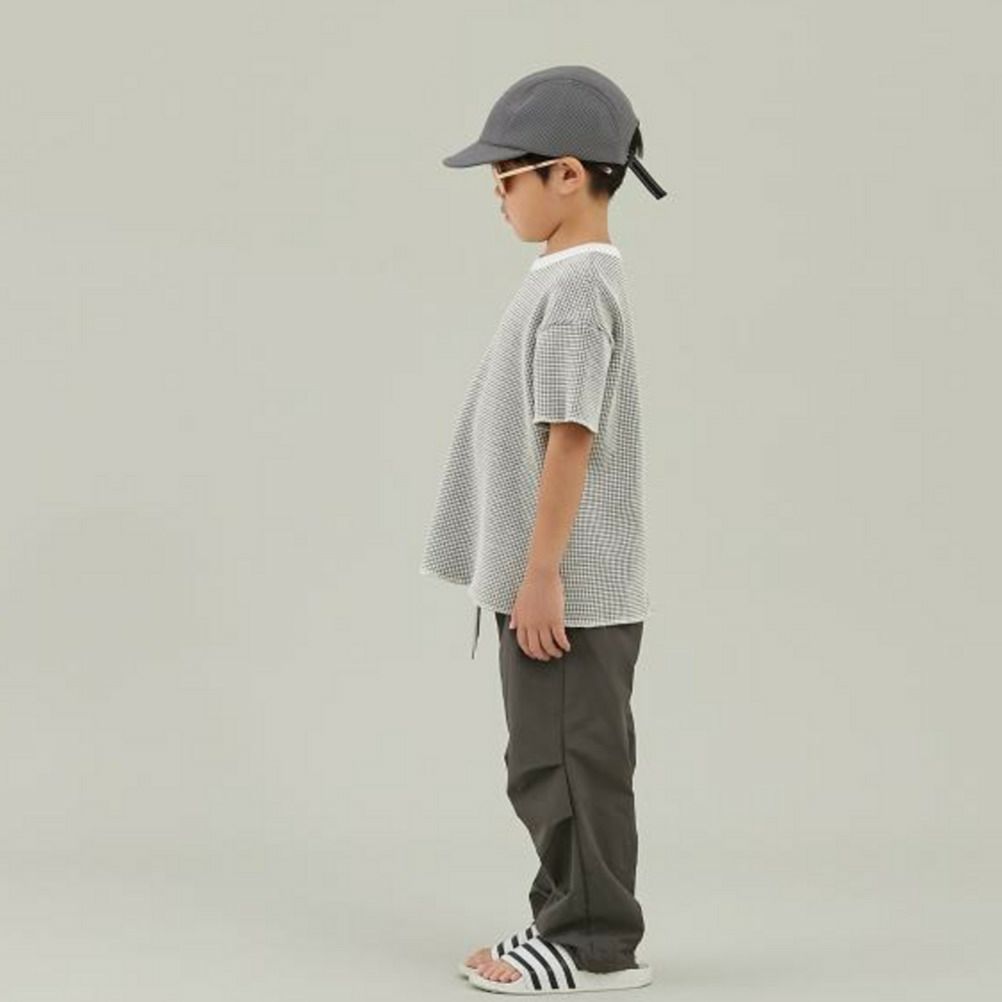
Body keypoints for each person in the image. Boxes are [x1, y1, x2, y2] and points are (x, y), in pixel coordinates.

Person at [418, 64, 667, 995]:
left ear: (567, 174)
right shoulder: (565, 278)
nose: (498, 195)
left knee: (565, 762)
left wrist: (541, 574)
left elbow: (570, 434)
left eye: (506, 177)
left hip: (568, 589)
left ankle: (594, 944)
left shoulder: (576, 288)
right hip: (557, 580)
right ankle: (566, 915)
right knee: (547, 759)